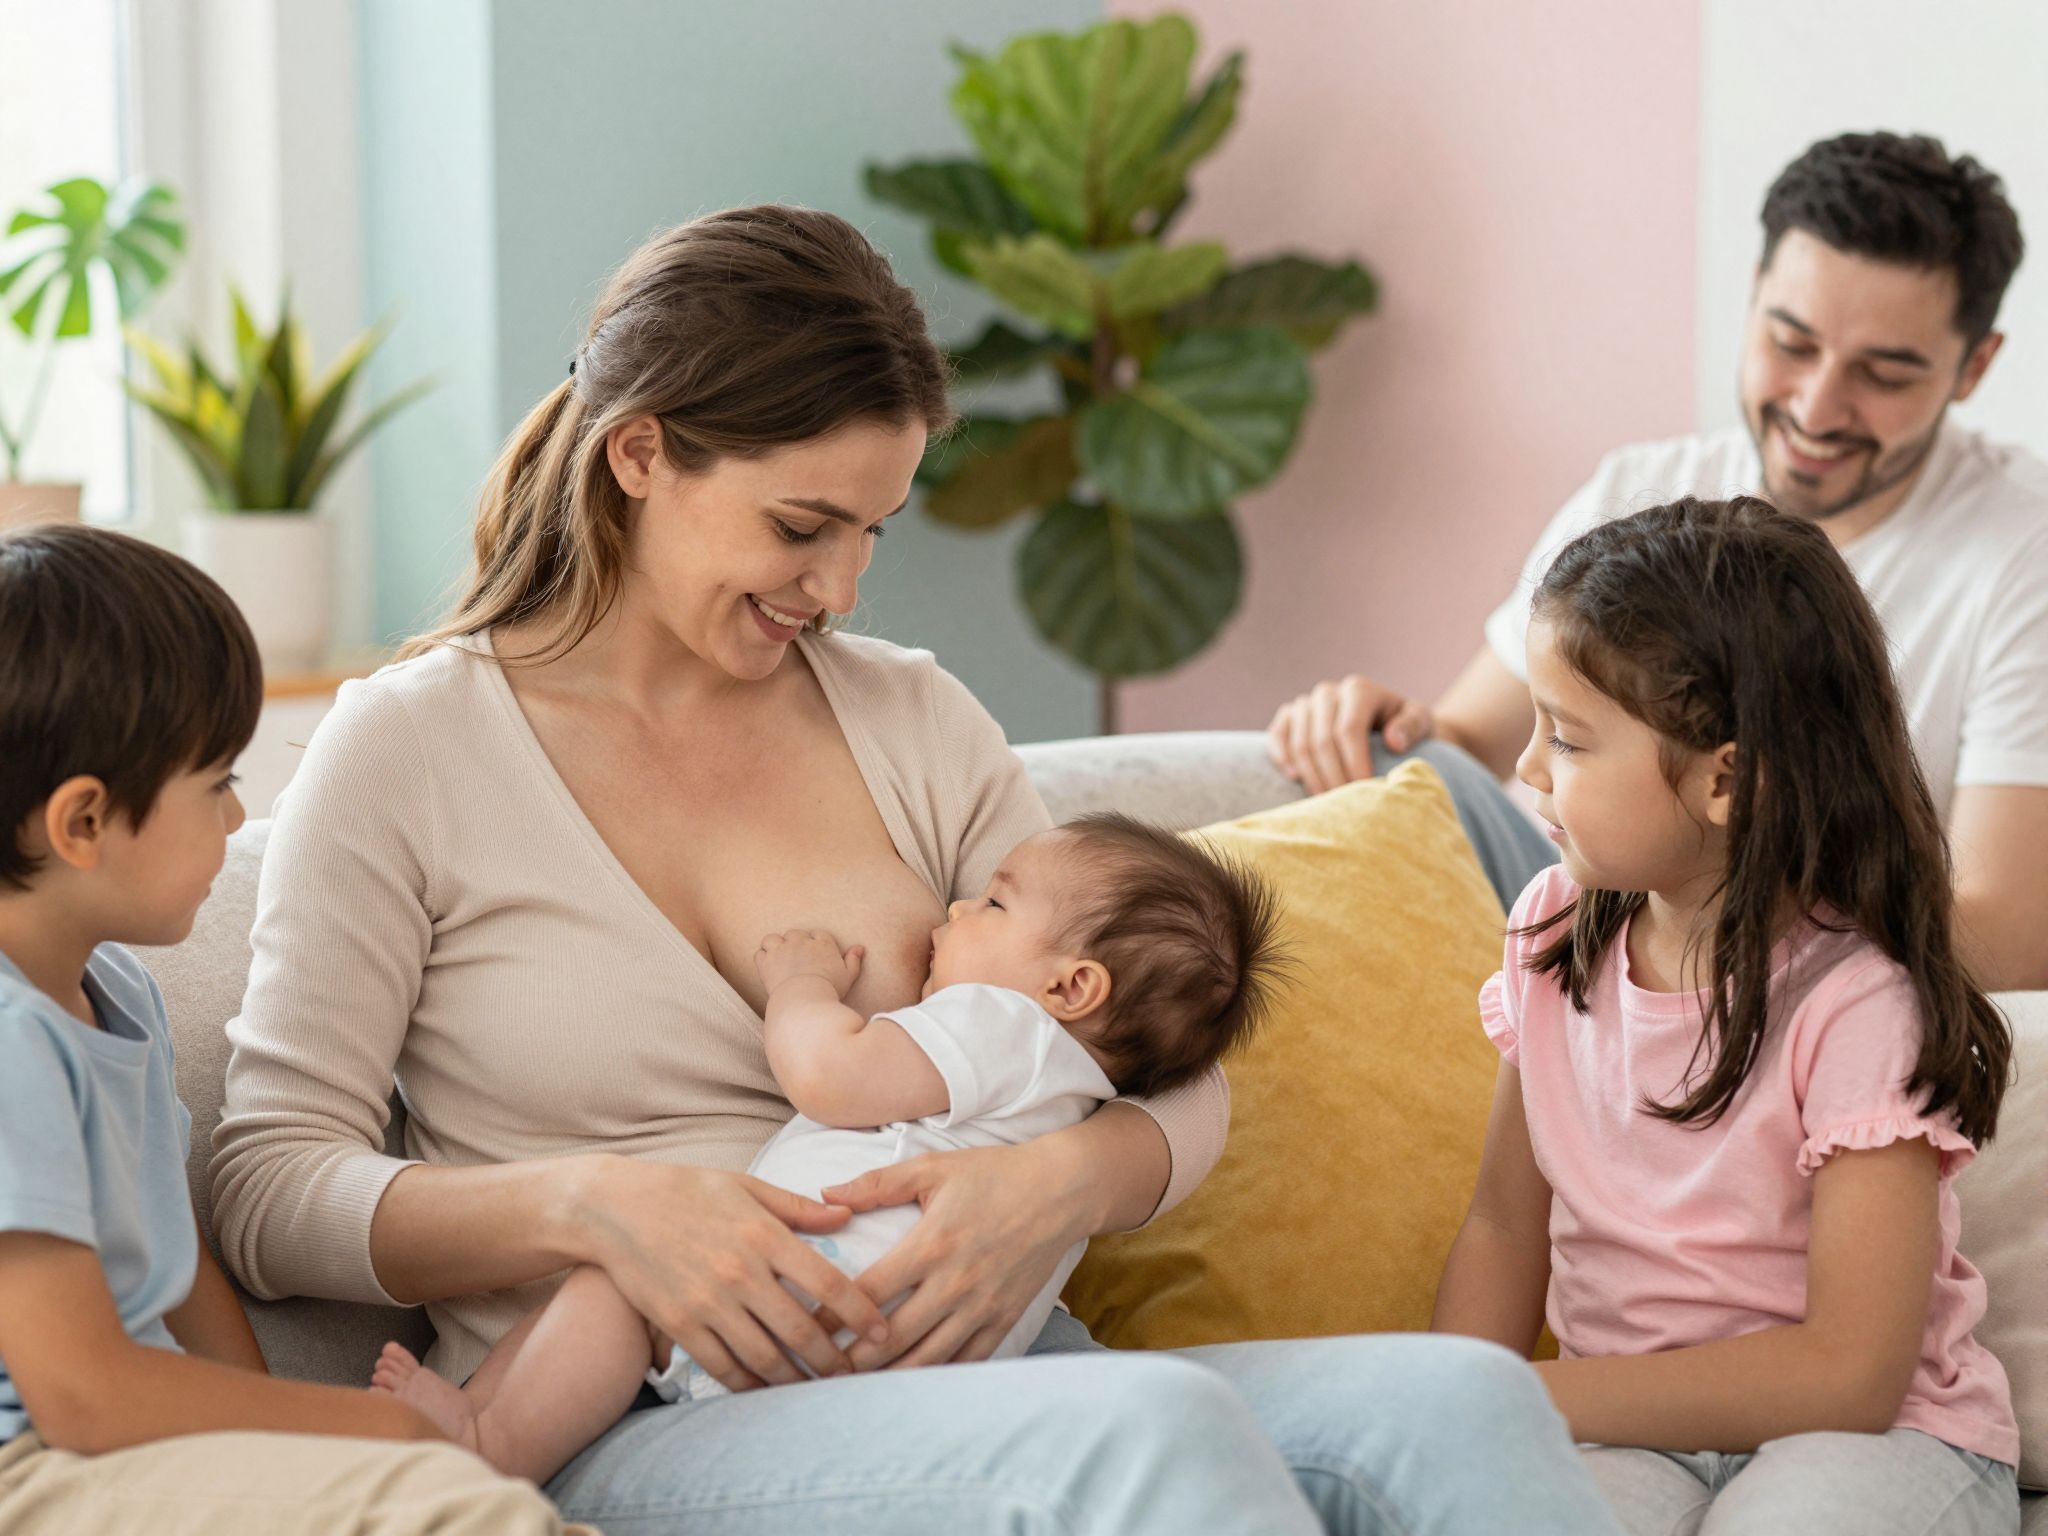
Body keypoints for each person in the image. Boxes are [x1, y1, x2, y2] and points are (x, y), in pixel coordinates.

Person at [212, 204, 1629, 1534]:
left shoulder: (909, 717)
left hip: (997, 1371)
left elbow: (1163, 1060)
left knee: (1465, 1400)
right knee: (1152, 1439)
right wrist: (600, 1208)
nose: (839, 590)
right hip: (640, 1405)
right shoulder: (410, 748)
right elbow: (267, 1186)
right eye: (800, 525)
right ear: (639, 456)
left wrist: (1068, 1177)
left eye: (871, 529)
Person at [1267, 132, 2048, 990]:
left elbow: (2010, 934)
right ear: (1752, 301)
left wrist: (1684, 926)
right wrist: (1372, 725)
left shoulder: (2022, 556)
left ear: (1974, 365)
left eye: (1884, 374)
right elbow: (1466, 750)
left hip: (1763, 986)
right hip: (1566, 924)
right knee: (1382, 782)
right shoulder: (1645, 490)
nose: (1818, 407)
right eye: (1791, 344)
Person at [370, 814, 1285, 1483]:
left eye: (993, 903)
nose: (959, 906)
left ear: (1072, 985)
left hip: (808, 1298)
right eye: (801, 532)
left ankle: (490, 1444)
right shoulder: (1074, 1081)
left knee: (618, 1280)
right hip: (921, 1363)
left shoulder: (999, 1025)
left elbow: (832, 1078)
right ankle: (482, 1426)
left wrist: (803, 985)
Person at [1433, 497, 2020, 1534]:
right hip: (1623, 1432)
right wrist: (1446, 1426)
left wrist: (1529, 1399)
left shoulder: (1855, 1000)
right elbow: (1500, 1222)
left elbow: (1848, 1375)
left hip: (1872, 1439)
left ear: (1726, 779)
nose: (1524, 768)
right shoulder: (1548, 932)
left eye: (1566, 739)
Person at [0, 526, 586, 1536]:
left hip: (119, 1455)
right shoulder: (11, 1041)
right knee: (443, 1505)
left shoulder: (117, 996)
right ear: (82, 823)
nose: (237, 821)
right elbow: (85, 1396)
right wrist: (372, 1438)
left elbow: (176, 1270)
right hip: (35, 1468)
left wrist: (294, 1441)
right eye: (218, 781)